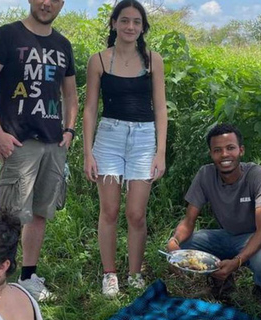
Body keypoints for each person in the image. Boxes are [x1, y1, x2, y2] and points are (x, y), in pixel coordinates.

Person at [0, 0, 79, 302]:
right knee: (9, 217)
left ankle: (28, 277)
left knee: (40, 214)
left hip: (54, 143)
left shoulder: (62, 45)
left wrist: (69, 131)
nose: (47, 3)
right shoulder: (6, 36)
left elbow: (71, 94)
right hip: (19, 142)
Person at [83, 0, 167, 298]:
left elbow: (160, 109)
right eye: (125, 20)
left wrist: (160, 152)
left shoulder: (153, 60)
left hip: (144, 140)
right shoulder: (100, 61)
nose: (130, 27)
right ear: (114, 23)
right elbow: (91, 108)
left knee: (136, 214)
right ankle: (110, 274)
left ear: (143, 27)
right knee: (110, 210)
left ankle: (134, 274)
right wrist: (88, 151)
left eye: (136, 22)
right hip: (108, 138)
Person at [166, 123, 261, 304]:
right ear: (211, 154)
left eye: (230, 148)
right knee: (186, 243)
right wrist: (174, 242)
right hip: (225, 235)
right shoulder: (205, 174)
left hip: (254, 236)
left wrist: (236, 262)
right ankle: (222, 283)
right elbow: (189, 221)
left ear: (241, 150)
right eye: (217, 150)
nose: (225, 155)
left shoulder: (258, 175)